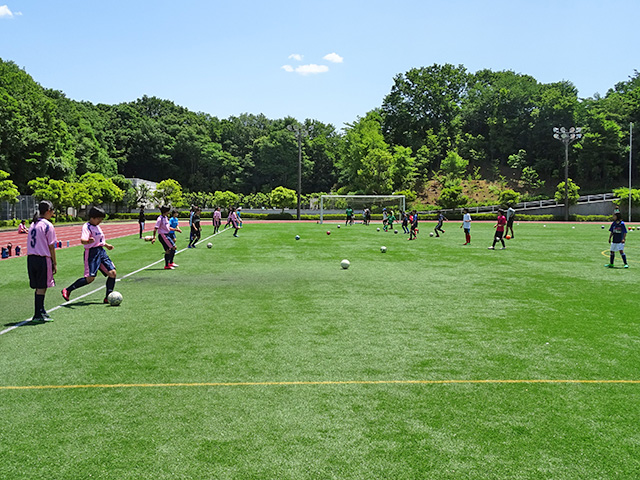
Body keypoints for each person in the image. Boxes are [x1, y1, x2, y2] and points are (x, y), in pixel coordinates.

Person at [61, 206, 118, 303]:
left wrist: (107, 245)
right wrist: (88, 241)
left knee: (112, 273)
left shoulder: (97, 226)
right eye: (99, 218)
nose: (100, 221)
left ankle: (108, 297)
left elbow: (100, 240)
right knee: (90, 278)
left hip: (101, 252)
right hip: (92, 253)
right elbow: (82, 240)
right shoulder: (86, 227)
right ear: (93, 217)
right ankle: (68, 290)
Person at [27, 200, 57, 322]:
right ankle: (37, 314)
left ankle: (41, 310)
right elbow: (51, 246)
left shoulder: (33, 224)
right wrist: (54, 262)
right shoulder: (48, 225)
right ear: (49, 211)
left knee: (39, 286)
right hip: (42, 259)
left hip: (31, 258)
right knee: (42, 286)